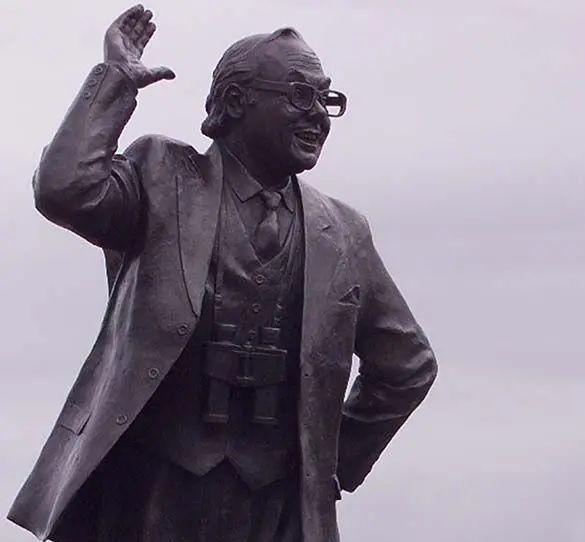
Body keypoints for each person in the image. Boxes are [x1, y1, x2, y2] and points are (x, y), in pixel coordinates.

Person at [8, 6, 437, 541]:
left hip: (275, 511)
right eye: (300, 96)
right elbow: (63, 189)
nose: (318, 116)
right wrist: (116, 80)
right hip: (149, 493)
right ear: (236, 101)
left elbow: (407, 365)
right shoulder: (162, 175)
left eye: (326, 100)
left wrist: (327, 463)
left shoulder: (343, 232)